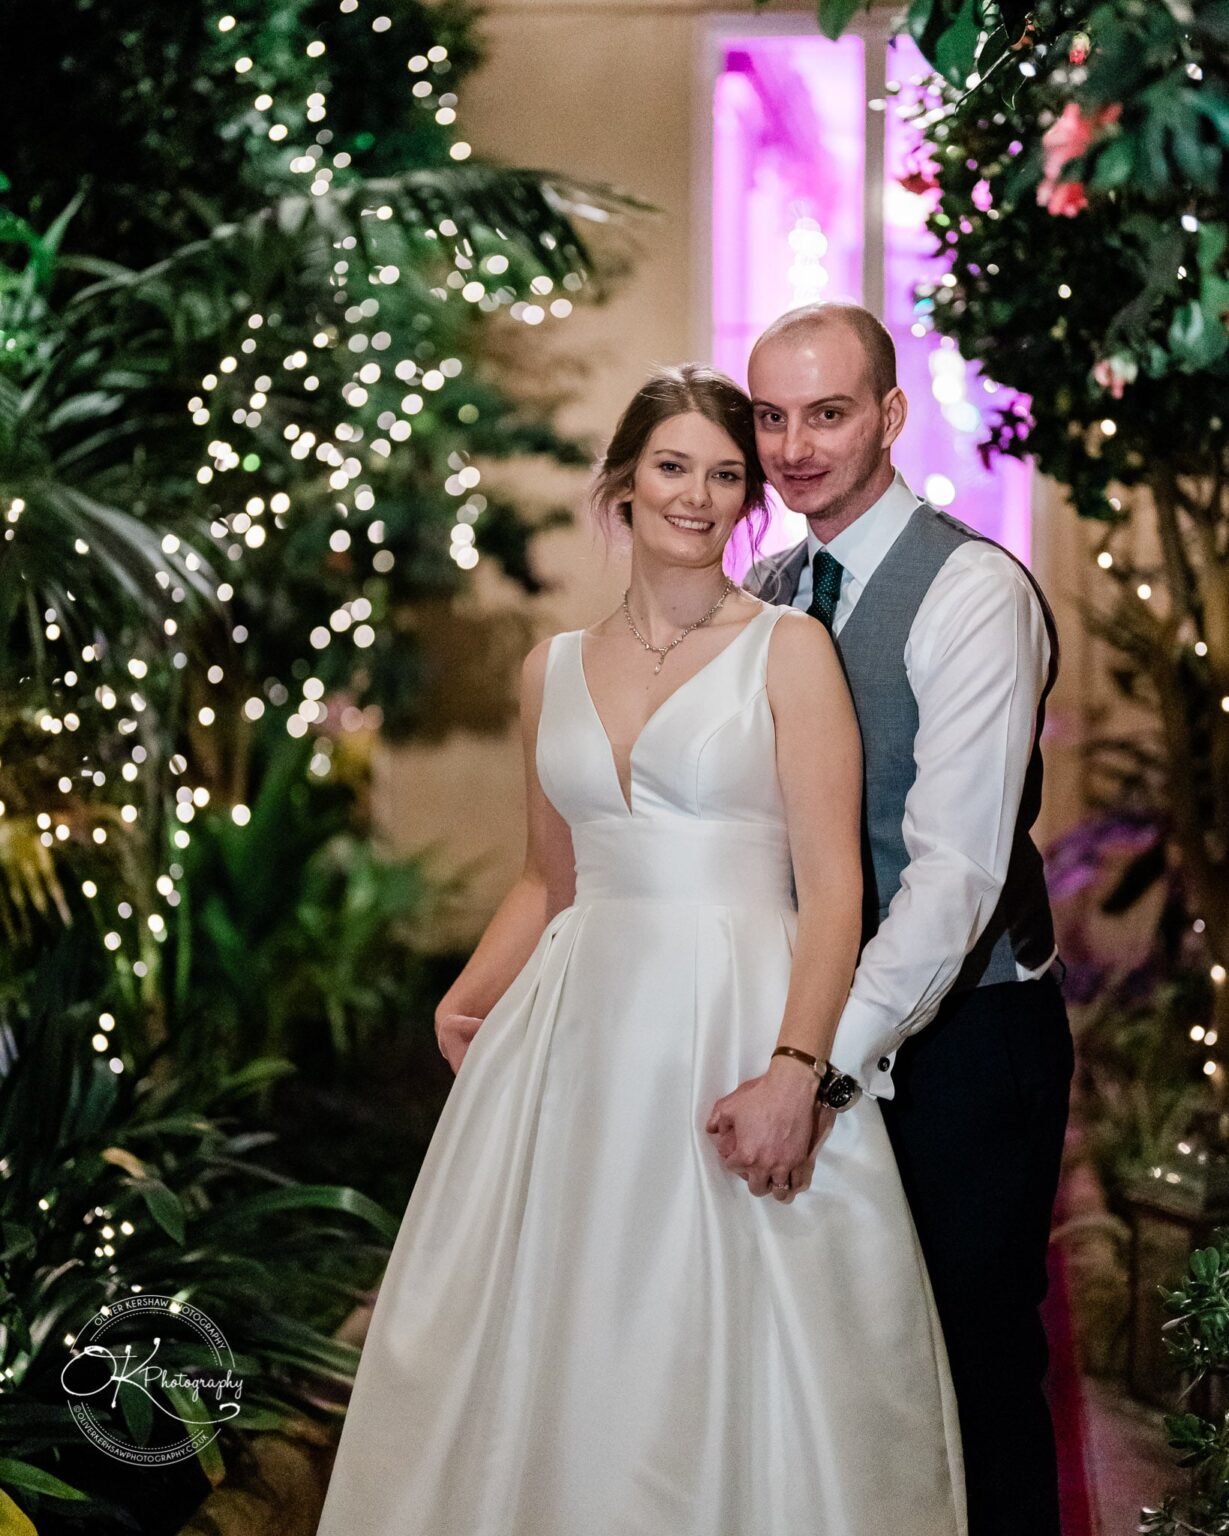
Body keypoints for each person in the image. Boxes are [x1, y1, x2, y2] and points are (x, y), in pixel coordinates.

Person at [315, 363, 965, 1536]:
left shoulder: (787, 651)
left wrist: (794, 1068)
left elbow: (833, 896)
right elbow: (548, 876)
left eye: (726, 474)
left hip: (736, 1020)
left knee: (718, 1341)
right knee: (555, 1333)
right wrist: (469, 995)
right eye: (673, 466)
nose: (699, 495)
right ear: (621, 484)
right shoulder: (548, 667)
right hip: (575, 1039)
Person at [743, 301, 1075, 1536]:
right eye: (769, 417)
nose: (793, 447)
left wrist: (816, 1063)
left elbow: (952, 880)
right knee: (839, 1368)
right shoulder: (765, 592)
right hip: (805, 1035)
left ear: (887, 415)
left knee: (969, 1365)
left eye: (826, 413)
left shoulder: (971, 591)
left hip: (963, 1048)